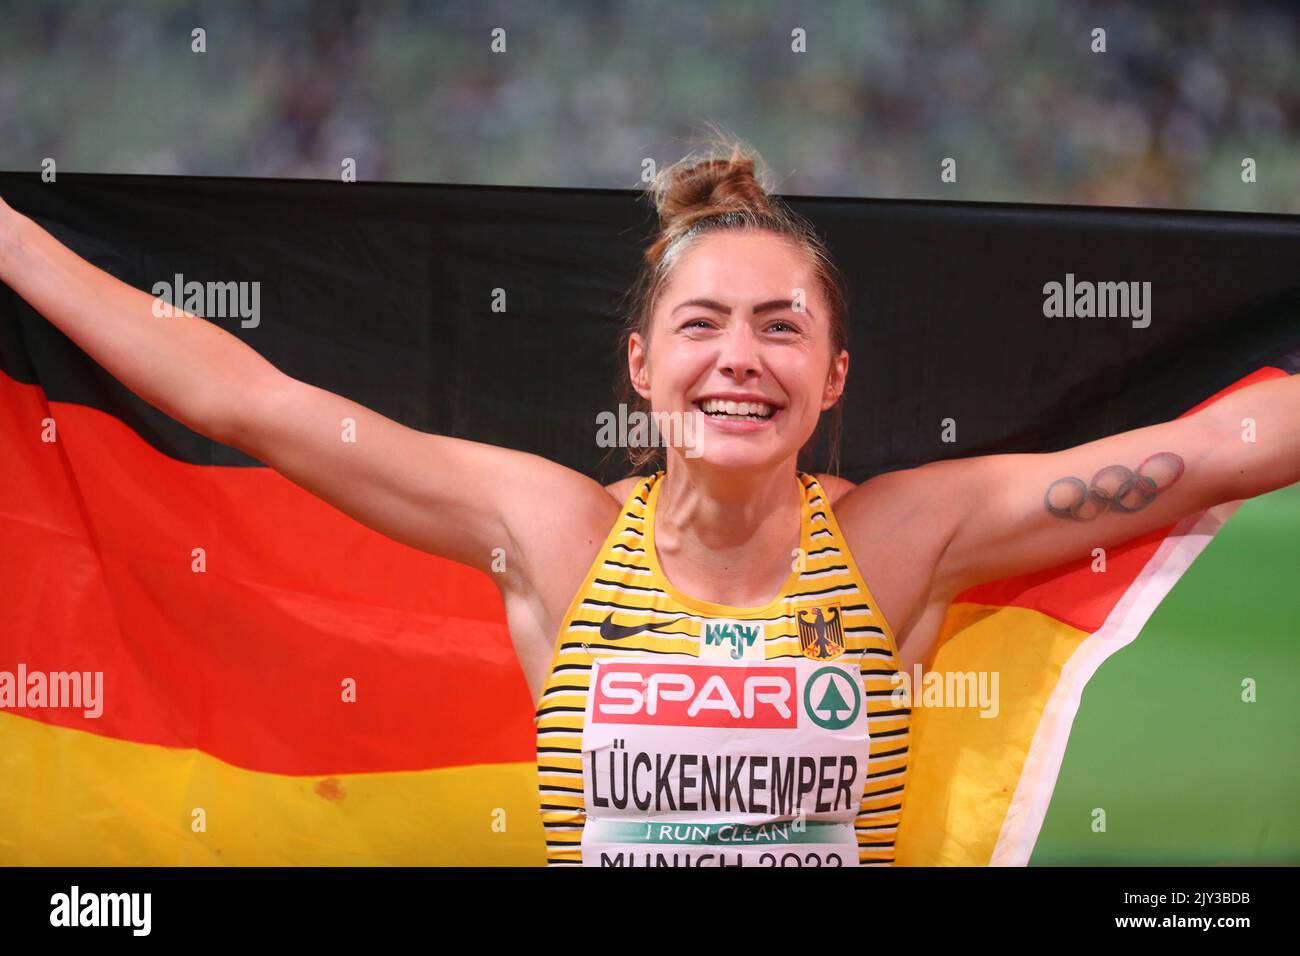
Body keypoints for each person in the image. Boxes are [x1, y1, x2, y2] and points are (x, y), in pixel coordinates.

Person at [0, 137, 1296, 868]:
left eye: (781, 328)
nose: (742, 356)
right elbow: (245, 402)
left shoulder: (903, 539)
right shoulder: (551, 532)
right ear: (642, 364)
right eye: (704, 324)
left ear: (834, 375)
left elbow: (1217, 452)